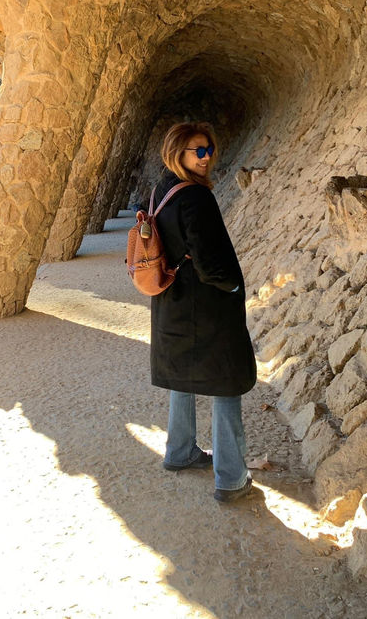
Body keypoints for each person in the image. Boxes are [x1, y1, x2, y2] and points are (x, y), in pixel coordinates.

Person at [150, 121, 257, 502]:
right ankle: (231, 478)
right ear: (177, 152)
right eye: (198, 150)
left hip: (173, 301)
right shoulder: (195, 196)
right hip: (207, 307)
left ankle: (180, 452)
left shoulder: (163, 188)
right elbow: (211, 263)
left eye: (209, 149)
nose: (206, 157)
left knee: (183, 375)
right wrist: (230, 286)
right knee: (227, 381)